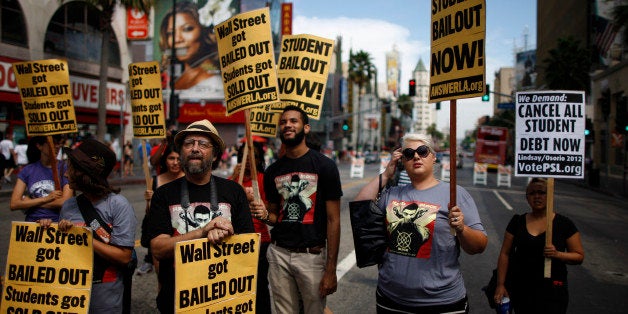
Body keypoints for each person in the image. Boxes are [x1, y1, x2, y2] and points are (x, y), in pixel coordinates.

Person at [354, 133, 487, 313]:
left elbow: (478, 246)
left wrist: (462, 229)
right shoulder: (392, 193)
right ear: (402, 160)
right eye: (409, 153)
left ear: (433, 157)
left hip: (442, 303)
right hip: (391, 299)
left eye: (423, 151)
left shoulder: (456, 194)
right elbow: (360, 206)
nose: (416, 156)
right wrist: (386, 174)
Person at [142, 119, 254, 313]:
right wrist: (202, 232)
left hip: (223, 299)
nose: (195, 149)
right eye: (188, 143)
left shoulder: (234, 191)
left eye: (203, 144)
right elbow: (158, 249)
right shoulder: (163, 194)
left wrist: (226, 234)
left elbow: (249, 248)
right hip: (178, 299)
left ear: (215, 153)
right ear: (181, 151)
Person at [249, 105, 343, 313]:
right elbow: (275, 216)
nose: (287, 125)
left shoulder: (325, 166)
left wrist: (330, 270)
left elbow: (333, 220)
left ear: (306, 128)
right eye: (283, 122)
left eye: (293, 121)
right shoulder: (274, 170)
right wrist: (263, 214)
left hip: (311, 256)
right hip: (279, 253)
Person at [38, 139, 137, 313]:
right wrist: (48, 231)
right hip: (72, 295)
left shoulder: (118, 205)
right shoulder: (69, 206)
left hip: (105, 298)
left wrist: (82, 237)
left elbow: (123, 257)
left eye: (71, 169)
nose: (66, 175)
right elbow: (61, 251)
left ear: (85, 174)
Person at [493, 178, 584, 313]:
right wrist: (500, 284)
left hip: (552, 291)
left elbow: (579, 256)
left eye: (541, 192)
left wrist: (557, 254)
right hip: (522, 289)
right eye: (532, 193)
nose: (537, 196)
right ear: (527, 197)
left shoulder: (564, 224)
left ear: (550, 195)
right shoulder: (517, 221)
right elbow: (505, 254)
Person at [229, 141, 272, 314]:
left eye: (253, 157)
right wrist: (234, 179)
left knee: (260, 285)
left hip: (260, 240)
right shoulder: (232, 181)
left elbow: (271, 209)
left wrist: (260, 206)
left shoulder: (263, 179)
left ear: (259, 159)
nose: (249, 161)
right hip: (236, 240)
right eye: (245, 157)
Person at [159, 1, 228, 100]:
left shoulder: (214, 83)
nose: (177, 39)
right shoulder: (174, 77)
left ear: (206, 32)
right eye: (171, 33)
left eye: (187, 29)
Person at [138, 144, 185, 275]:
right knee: (162, 276)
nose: (175, 163)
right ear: (165, 160)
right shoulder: (154, 181)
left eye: (179, 158)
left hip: (182, 232)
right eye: (171, 158)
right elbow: (149, 214)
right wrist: (149, 201)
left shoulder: (189, 180)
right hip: (161, 234)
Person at [10, 136, 72, 222]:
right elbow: (14, 204)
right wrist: (45, 199)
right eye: (52, 143)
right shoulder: (28, 170)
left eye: (58, 143)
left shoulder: (65, 169)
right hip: (32, 225)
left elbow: (65, 202)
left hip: (57, 224)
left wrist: (31, 202)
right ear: (39, 146)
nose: (57, 146)